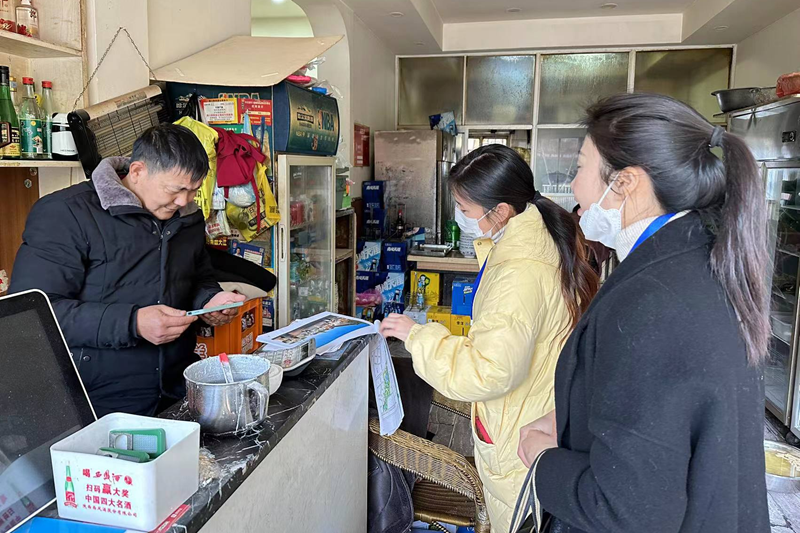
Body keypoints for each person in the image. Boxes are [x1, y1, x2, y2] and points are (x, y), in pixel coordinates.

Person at [515, 93, 770, 533]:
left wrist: (544, 461)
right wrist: (575, 420)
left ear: (626, 182)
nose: (573, 186)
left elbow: (626, 509)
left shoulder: (652, 300)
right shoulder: (699, 258)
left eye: (580, 167)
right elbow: (668, 411)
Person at [380, 144, 599, 532]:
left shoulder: (518, 272)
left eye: (464, 209)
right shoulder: (538, 238)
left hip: (520, 436)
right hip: (538, 411)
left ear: (500, 211)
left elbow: (488, 371)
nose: (461, 217)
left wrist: (418, 336)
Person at [10, 124, 246, 417]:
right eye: (176, 190)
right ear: (137, 172)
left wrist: (209, 300)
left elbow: (198, 277)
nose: (184, 201)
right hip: (95, 401)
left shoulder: (186, 216)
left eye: (193, 191)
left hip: (175, 389)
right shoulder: (65, 213)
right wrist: (133, 323)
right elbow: (32, 314)